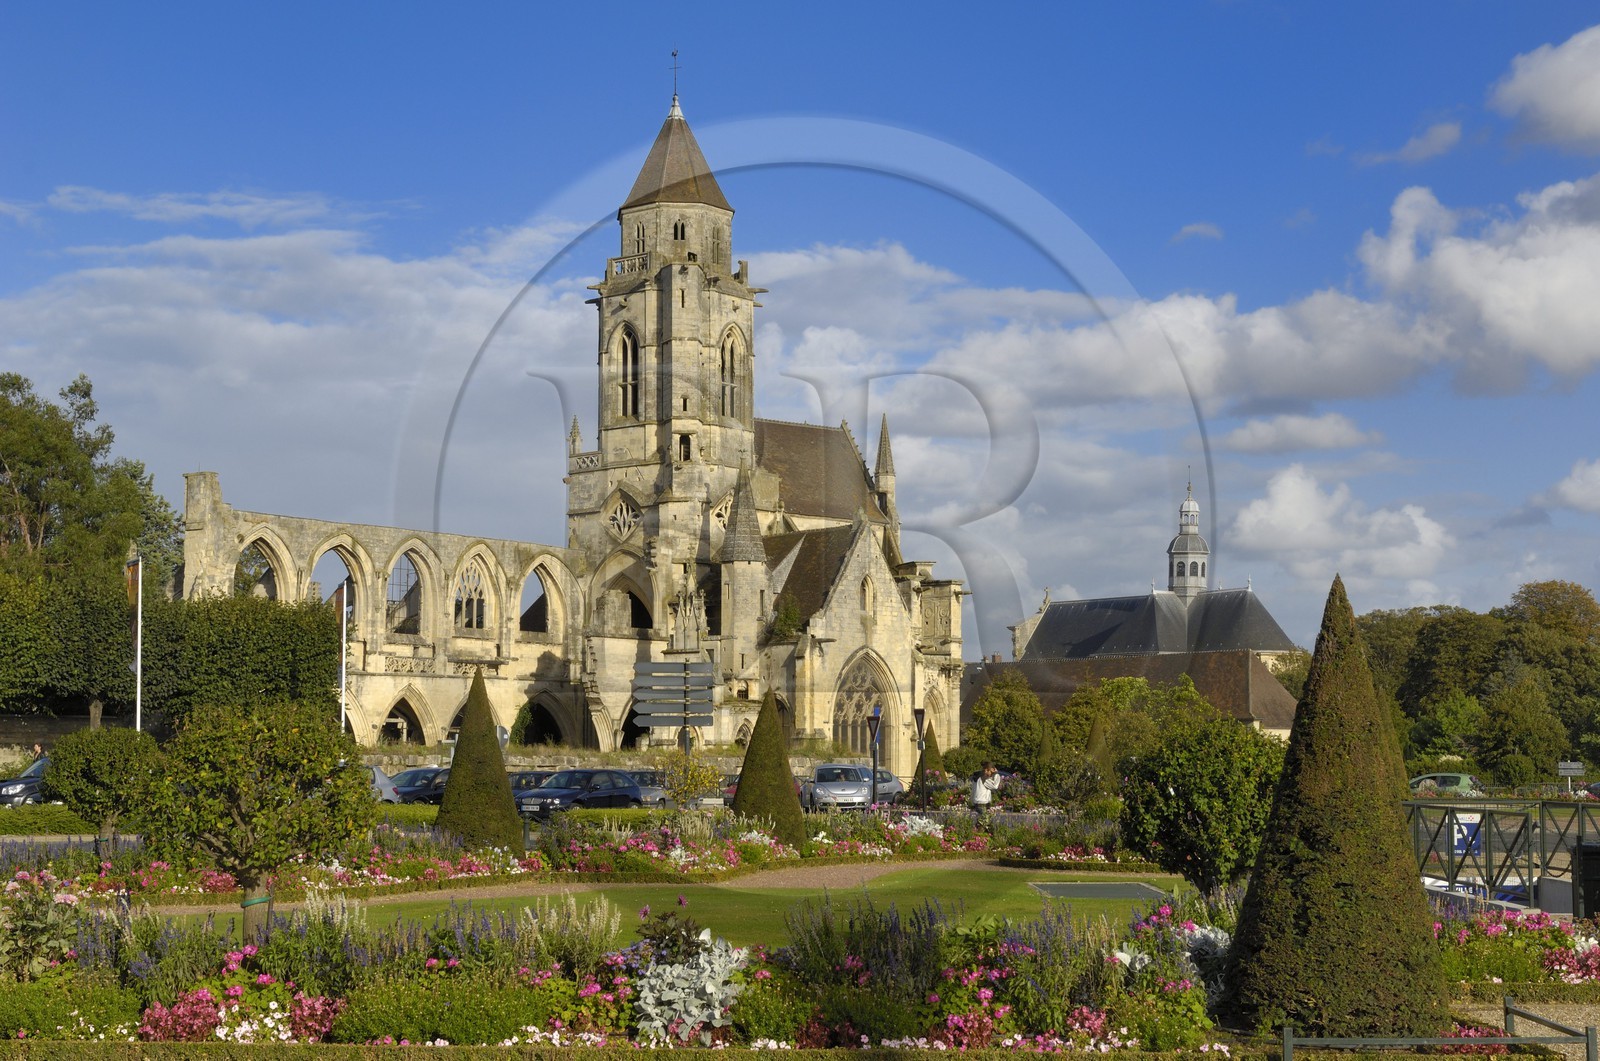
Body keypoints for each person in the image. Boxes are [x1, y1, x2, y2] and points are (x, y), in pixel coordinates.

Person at [971, 761, 1001, 826]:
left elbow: (973, 792)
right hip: (983, 804)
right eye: (991, 771)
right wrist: (996, 774)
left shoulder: (977, 777)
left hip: (977, 803)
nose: (991, 774)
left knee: (980, 823)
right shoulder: (983, 778)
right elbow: (995, 786)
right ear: (988, 770)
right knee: (984, 824)